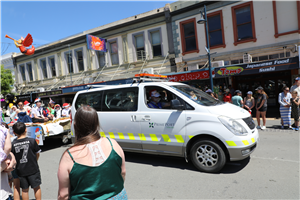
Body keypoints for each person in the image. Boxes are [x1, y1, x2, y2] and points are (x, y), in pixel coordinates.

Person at [57, 106, 127, 200]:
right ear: (96, 124)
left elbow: (63, 195)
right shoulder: (113, 144)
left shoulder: (69, 156)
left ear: (75, 125)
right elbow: (122, 173)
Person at [11, 122, 42, 200]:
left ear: (14, 132)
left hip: (20, 170)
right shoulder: (32, 140)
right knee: (36, 187)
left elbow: (13, 157)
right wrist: (35, 161)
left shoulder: (13, 144)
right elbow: (37, 153)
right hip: (33, 168)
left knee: (24, 190)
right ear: (26, 130)